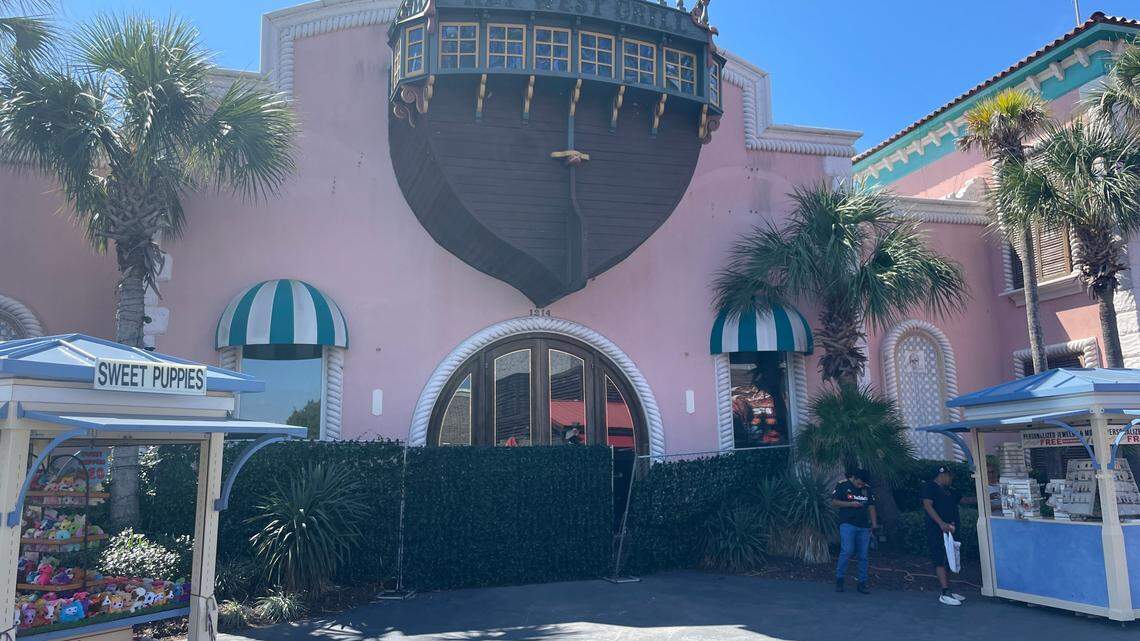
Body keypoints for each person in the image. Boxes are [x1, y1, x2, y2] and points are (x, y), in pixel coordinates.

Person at [922, 466, 968, 606]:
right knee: (939, 558)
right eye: (949, 476)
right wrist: (941, 523)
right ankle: (944, 591)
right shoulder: (929, 487)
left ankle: (950, 589)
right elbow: (927, 505)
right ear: (941, 475)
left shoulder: (949, 491)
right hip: (937, 530)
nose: (951, 479)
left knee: (951, 558)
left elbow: (962, 500)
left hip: (951, 530)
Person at [831, 468, 877, 594]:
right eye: (859, 483)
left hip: (864, 526)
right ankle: (839, 579)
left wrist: (874, 525)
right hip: (847, 524)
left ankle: (862, 582)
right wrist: (850, 504)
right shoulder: (843, 485)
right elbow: (834, 502)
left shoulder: (867, 488)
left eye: (863, 484)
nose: (861, 486)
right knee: (847, 551)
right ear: (854, 478)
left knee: (863, 555)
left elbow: (871, 507)